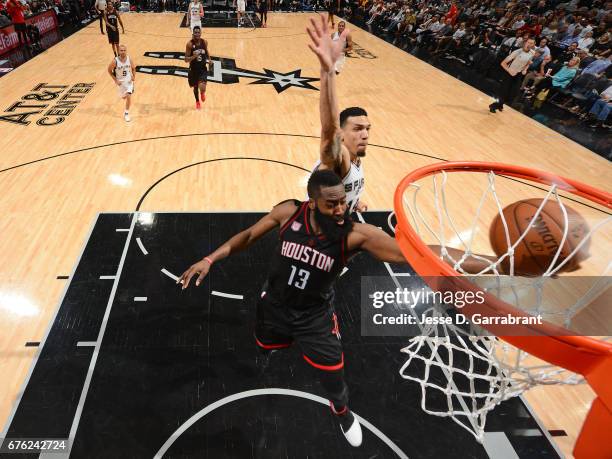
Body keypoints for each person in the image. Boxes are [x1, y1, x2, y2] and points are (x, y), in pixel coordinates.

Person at [179, 170, 411, 448]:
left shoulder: (354, 235)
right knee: (265, 346)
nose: (340, 210)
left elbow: (403, 254)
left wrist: (463, 262)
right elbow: (249, 234)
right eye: (332, 204)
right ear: (312, 203)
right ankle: (270, 354)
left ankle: (342, 411)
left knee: (334, 378)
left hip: (314, 319)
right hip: (274, 306)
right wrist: (210, 258)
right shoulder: (289, 212)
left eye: (343, 202)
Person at [308, 15, 369, 214]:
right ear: (342, 134)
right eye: (358, 129)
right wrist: (327, 72)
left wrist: (355, 202)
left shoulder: (355, 158)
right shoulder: (339, 156)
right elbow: (329, 130)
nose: (365, 135)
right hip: (321, 238)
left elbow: (346, 188)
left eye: (367, 129)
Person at [489, 38, 535, 113]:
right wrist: (510, 71)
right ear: (525, 43)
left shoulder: (532, 53)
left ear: (533, 45)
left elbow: (528, 61)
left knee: (513, 93)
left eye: (531, 43)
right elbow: (503, 63)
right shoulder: (517, 52)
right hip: (509, 73)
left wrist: (525, 69)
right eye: (528, 42)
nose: (529, 44)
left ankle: (500, 104)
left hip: (518, 74)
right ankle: (494, 106)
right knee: (504, 92)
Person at [185, 25, 211, 109]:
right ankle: (197, 101)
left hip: (202, 69)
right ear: (193, 33)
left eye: (198, 32)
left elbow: (206, 52)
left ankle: (202, 93)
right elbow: (185, 59)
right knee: (195, 88)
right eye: (195, 32)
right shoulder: (189, 44)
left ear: (201, 33)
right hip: (193, 70)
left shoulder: (204, 42)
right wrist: (193, 57)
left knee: (202, 88)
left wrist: (209, 60)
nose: (197, 34)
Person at [107, 44, 135, 122]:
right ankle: (124, 95)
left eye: (124, 50)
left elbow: (133, 68)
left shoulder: (129, 59)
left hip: (129, 80)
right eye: (121, 50)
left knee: (129, 96)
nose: (123, 52)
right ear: (118, 51)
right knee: (123, 97)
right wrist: (115, 80)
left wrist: (133, 76)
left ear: (126, 51)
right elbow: (109, 70)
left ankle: (126, 113)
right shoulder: (115, 61)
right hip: (120, 82)